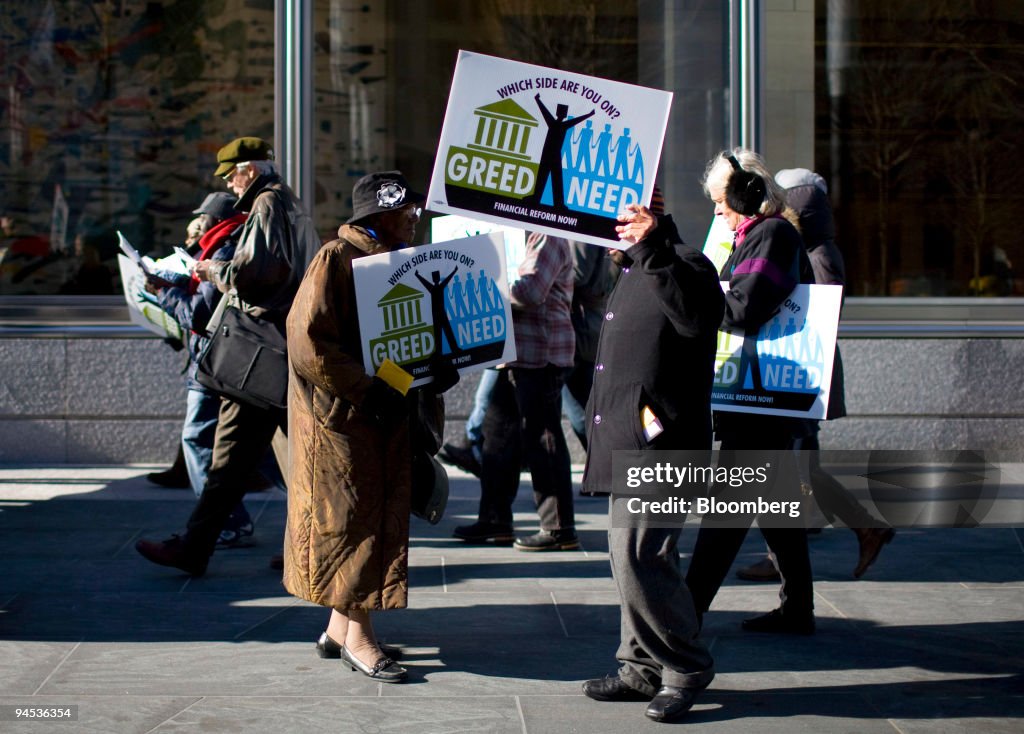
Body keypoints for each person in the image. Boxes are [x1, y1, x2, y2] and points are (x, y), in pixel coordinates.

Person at [285, 170, 454, 683]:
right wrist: (366, 388)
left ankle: (340, 627)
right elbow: (308, 342)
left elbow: (409, 341)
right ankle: (361, 638)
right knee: (352, 522)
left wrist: (437, 368)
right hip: (343, 424)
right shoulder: (336, 258)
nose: (415, 218)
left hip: (382, 417)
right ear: (380, 214)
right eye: (407, 210)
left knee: (370, 519)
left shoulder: (400, 263)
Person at [135, 136, 322, 576]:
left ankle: (197, 548)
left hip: (259, 354)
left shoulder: (268, 204)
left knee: (231, 457)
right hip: (278, 350)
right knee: (282, 459)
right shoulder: (289, 204)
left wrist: (209, 270)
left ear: (250, 170)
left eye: (231, 176)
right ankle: (305, 548)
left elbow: (255, 275)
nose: (231, 186)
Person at [581, 201, 724, 723]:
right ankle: (641, 668)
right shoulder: (634, 269)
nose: (614, 232)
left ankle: (684, 668)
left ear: (650, 220)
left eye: (625, 221)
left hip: (665, 444)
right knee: (630, 557)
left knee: (642, 557)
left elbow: (696, 319)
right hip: (633, 440)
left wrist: (653, 248)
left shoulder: (685, 262)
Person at [736, 169, 895, 582]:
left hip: (801, 375)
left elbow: (816, 319)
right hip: (800, 376)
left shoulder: (817, 254)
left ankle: (862, 529)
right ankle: (854, 533)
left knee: (792, 469)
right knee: (795, 468)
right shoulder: (815, 247)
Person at [684, 148, 818, 635]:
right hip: (757, 395)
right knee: (774, 501)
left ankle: (687, 608)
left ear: (747, 194)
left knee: (727, 507)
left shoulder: (771, 234)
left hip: (762, 398)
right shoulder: (753, 236)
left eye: (721, 200)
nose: (716, 210)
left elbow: (743, 308)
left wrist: (694, 289)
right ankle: (797, 608)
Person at [452, 231, 578, 550]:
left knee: (543, 439)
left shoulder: (547, 237)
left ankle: (559, 529)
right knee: (498, 438)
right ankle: (495, 522)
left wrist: (481, 290)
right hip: (511, 354)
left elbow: (531, 292)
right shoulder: (514, 238)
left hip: (541, 355)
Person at [145, 191, 257, 546]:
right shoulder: (220, 246)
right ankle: (227, 522)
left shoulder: (223, 250)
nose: (196, 230)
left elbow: (199, 313)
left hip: (215, 359)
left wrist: (163, 292)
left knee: (198, 437)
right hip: (221, 358)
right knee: (251, 451)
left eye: (200, 221)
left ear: (213, 219)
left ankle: (227, 522)